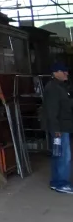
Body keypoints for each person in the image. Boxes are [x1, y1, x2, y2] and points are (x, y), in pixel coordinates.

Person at [43, 61, 72, 193]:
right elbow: (51, 111)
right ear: (55, 73)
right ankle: (61, 183)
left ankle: (56, 182)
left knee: (58, 154)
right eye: (63, 71)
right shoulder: (53, 88)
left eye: (66, 70)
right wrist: (56, 130)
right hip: (60, 128)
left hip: (63, 127)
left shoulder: (61, 86)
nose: (66, 73)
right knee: (64, 156)